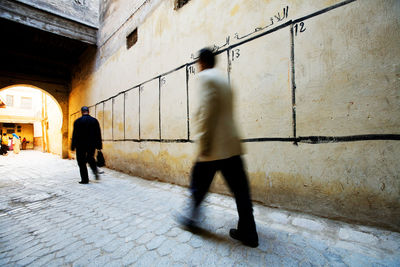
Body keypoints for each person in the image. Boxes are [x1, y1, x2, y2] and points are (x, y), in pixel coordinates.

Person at [178, 48, 259, 247]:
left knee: (198, 184)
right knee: (241, 191)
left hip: (213, 147)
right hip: (232, 145)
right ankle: (249, 232)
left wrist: (204, 143)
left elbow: (207, 112)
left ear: (202, 62)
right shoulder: (224, 80)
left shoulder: (205, 77)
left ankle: (191, 219)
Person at [71, 106, 102, 184]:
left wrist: (73, 146)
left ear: (81, 112)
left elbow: (74, 135)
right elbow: (98, 134)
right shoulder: (94, 121)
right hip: (91, 145)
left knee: (81, 162)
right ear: (88, 111)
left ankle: (85, 179)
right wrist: (99, 146)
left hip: (80, 145)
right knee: (90, 158)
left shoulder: (77, 121)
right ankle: (95, 171)